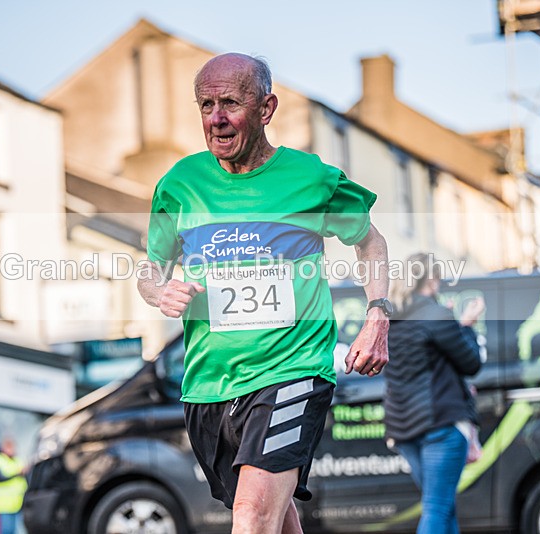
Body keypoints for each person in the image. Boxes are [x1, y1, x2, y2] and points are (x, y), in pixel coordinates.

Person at [137, 53, 390, 534]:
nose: (216, 118)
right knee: (274, 517)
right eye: (206, 104)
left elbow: (370, 241)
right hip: (209, 383)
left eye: (230, 102)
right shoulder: (180, 184)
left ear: (266, 108)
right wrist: (160, 292)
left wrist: (378, 312)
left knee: (252, 514)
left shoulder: (310, 179)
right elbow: (150, 268)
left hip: (291, 371)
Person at [384, 252, 484, 534]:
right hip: (440, 424)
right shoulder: (435, 314)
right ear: (431, 278)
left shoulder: (389, 317)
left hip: (403, 429)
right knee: (438, 508)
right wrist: (466, 327)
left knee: (441, 505)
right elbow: (471, 362)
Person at [0, 437, 27, 534]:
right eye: (9, 447)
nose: (11, 450)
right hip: (2, 505)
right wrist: (18, 473)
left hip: (17, 504)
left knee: (14, 531)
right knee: (5, 531)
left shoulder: (17, 460)